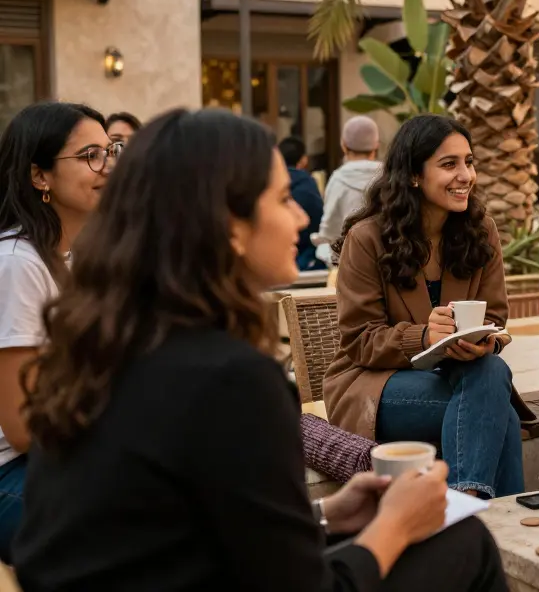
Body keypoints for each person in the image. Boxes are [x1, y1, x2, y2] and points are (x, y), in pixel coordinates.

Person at [12, 108, 507, 591]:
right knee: (466, 542)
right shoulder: (230, 378)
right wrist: (396, 523)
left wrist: (325, 513)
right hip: (382, 386)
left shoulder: (106, 341)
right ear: (229, 225)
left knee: (489, 400)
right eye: (281, 198)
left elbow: (169, 532)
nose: (298, 216)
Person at [325, 115, 523, 499]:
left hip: (461, 377)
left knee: (491, 379)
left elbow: (495, 317)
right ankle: (485, 519)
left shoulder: (480, 231)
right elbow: (359, 340)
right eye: (449, 165)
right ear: (414, 174)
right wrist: (425, 337)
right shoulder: (367, 238)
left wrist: (485, 343)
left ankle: (470, 514)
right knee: (499, 411)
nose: (465, 174)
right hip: (374, 385)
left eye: (469, 162)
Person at [0, 102, 114, 563]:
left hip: (60, 457)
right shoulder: (17, 264)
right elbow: (23, 427)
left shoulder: (73, 258)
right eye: (90, 155)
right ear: (39, 176)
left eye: (112, 151)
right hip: (13, 473)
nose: (108, 167)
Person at [316, 116, 383, 266]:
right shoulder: (390, 177)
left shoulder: (338, 179)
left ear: (344, 146)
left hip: (349, 260)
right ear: (376, 146)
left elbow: (329, 231)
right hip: (387, 257)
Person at [279, 136, 325, 272]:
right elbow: (318, 219)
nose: (301, 220)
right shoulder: (307, 183)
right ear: (303, 159)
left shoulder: (270, 182)